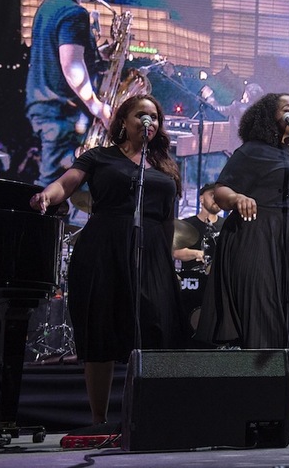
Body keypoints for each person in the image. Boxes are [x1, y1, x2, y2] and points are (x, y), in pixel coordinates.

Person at [29, 95, 186, 426]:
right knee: (101, 329)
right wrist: (46, 195)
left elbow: (168, 220)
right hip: (104, 249)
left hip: (152, 252)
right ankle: (99, 421)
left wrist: (167, 261)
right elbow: (66, 184)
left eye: (154, 116)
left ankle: (147, 419)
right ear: (124, 121)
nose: (149, 121)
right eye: (141, 115)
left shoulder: (166, 167)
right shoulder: (99, 156)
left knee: (155, 328)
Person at [194, 93, 289, 414]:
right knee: (265, 322)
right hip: (258, 239)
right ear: (269, 118)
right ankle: (266, 414)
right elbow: (221, 190)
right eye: (286, 109)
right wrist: (237, 199)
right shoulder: (252, 151)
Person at [26, 0, 112, 187]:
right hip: (61, 113)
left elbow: (57, 55)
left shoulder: (47, 7)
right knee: (53, 186)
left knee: (57, 184)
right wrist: (97, 107)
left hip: (45, 107)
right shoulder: (74, 12)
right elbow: (71, 64)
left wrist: (100, 54)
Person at [173, 182, 223, 273]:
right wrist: (197, 254)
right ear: (201, 199)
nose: (216, 199)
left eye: (219, 196)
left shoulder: (226, 225)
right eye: (212, 195)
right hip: (192, 277)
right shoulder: (186, 224)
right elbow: (176, 252)